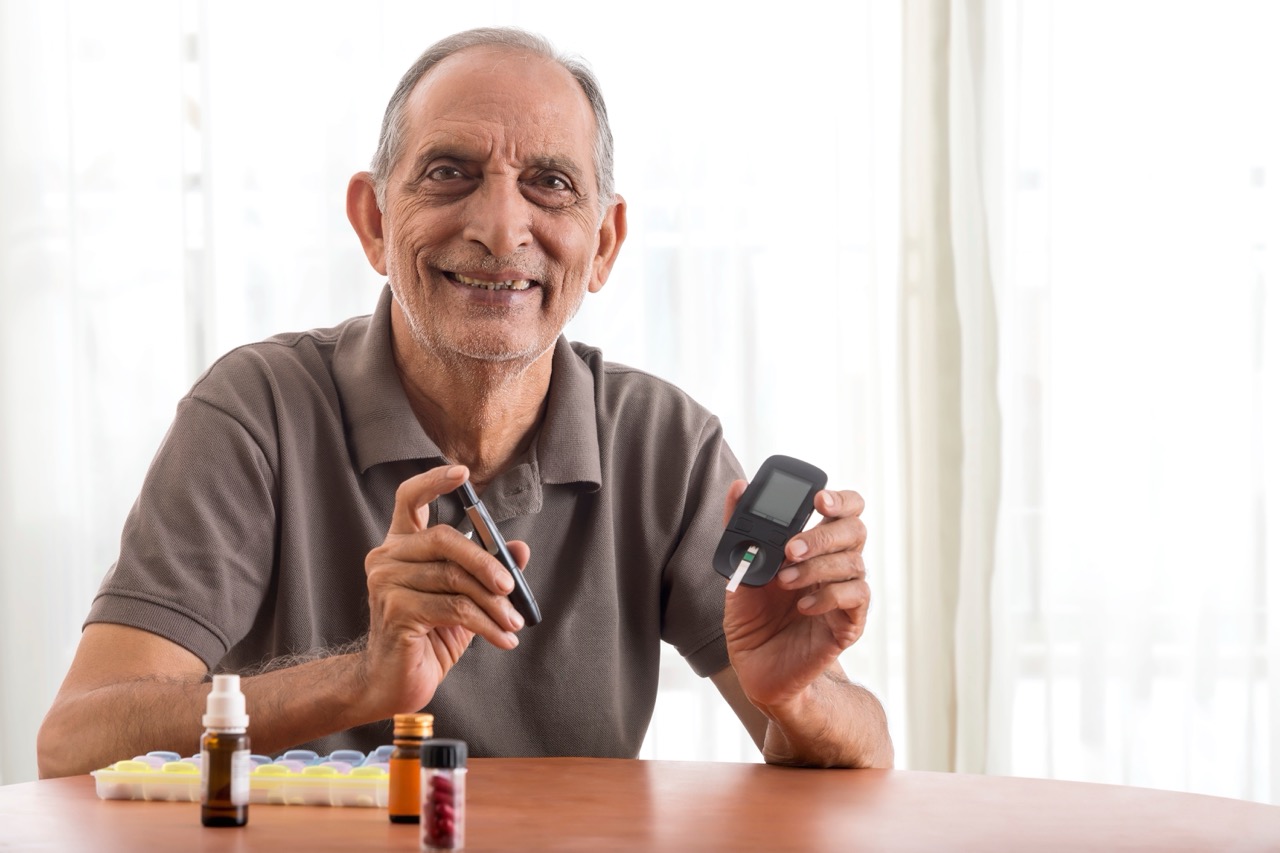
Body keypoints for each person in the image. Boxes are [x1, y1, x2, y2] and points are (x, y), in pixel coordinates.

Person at [36, 27, 892, 778]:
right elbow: (74, 740)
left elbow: (866, 752)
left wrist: (797, 697)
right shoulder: (254, 413)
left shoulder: (666, 441)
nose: (498, 225)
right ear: (373, 221)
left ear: (603, 244)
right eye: (449, 173)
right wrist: (363, 677)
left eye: (550, 183)